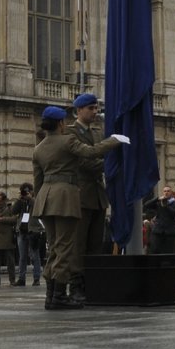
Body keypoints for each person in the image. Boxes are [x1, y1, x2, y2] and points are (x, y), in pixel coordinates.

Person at [32, 104, 125, 309]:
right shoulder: (67, 141)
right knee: (65, 248)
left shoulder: (38, 148)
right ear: (60, 123)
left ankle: (50, 295)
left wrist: (40, 203)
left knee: (53, 248)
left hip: (45, 200)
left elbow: (37, 182)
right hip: (65, 198)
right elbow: (90, 153)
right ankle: (58, 296)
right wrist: (114, 141)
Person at [70, 93, 111, 255]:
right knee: (79, 242)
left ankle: (93, 277)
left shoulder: (97, 132)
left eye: (96, 108)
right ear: (79, 110)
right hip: (81, 195)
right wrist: (109, 166)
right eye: (91, 108)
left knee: (96, 243)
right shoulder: (71, 133)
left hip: (98, 196)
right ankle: (77, 278)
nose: (95, 111)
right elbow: (83, 162)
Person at [13, 184, 41, 286]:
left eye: (26, 192)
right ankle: (21, 278)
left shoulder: (36, 200)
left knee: (35, 256)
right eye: (23, 192)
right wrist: (19, 200)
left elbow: (39, 208)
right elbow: (13, 211)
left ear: (32, 191)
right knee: (22, 257)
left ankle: (36, 278)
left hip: (33, 231)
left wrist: (31, 199)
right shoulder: (21, 202)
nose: (25, 194)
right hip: (22, 231)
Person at [148, 186, 175, 256]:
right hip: (158, 231)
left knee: (167, 253)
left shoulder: (174, 203)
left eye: (168, 191)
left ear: (171, 193)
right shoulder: (159, 202)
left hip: (169, 233)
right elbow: (146, 205)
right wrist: (157, 199)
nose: (166, 193)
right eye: (165, 191)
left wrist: (167, 207)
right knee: (154, 250)